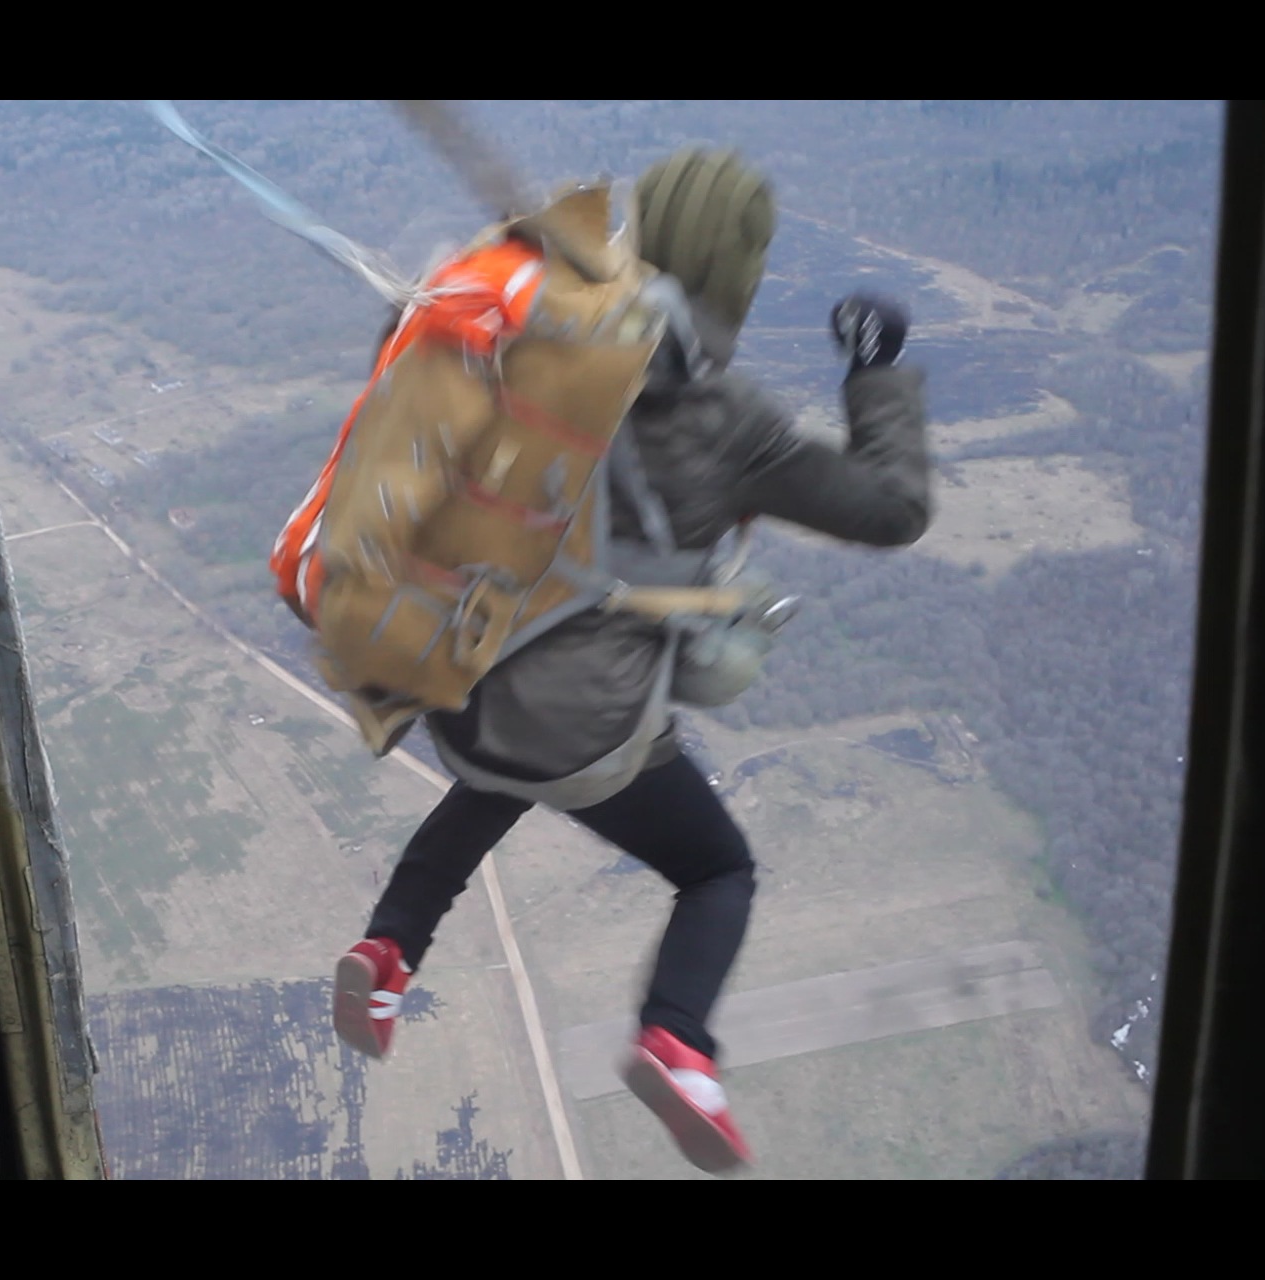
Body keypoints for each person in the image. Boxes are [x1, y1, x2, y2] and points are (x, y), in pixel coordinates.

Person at [331, 147, 934, 1175]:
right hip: (586, 725)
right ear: (738, 271)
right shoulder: (728, 421)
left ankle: (389, 945)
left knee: (502, 772)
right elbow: (892, 509)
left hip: (462, 683)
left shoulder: (531, 343)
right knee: (717, 868)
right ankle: (677, 1041)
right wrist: (873, 367)